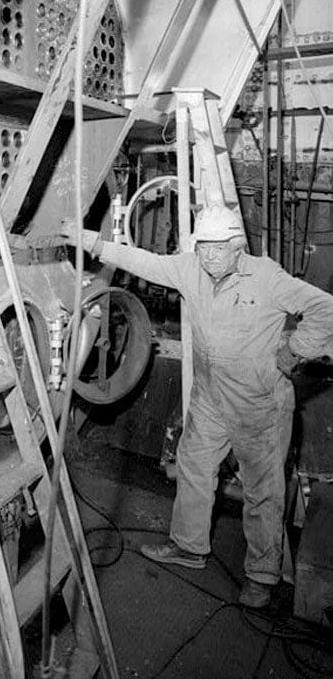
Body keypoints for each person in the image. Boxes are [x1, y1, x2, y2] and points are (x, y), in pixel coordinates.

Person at [68, 204, 333, 609]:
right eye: (202, 247)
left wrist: (296, 351)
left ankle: (261, 575)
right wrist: (95, 244)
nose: (207, 256)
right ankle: (190, 546)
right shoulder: (192, 268)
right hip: (210, 397)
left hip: (258, 405)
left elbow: (325, 309)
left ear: (236, 247)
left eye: (216, 248)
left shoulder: (267, 277)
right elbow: (148, 263)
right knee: (193, 466)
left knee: (263, 490)